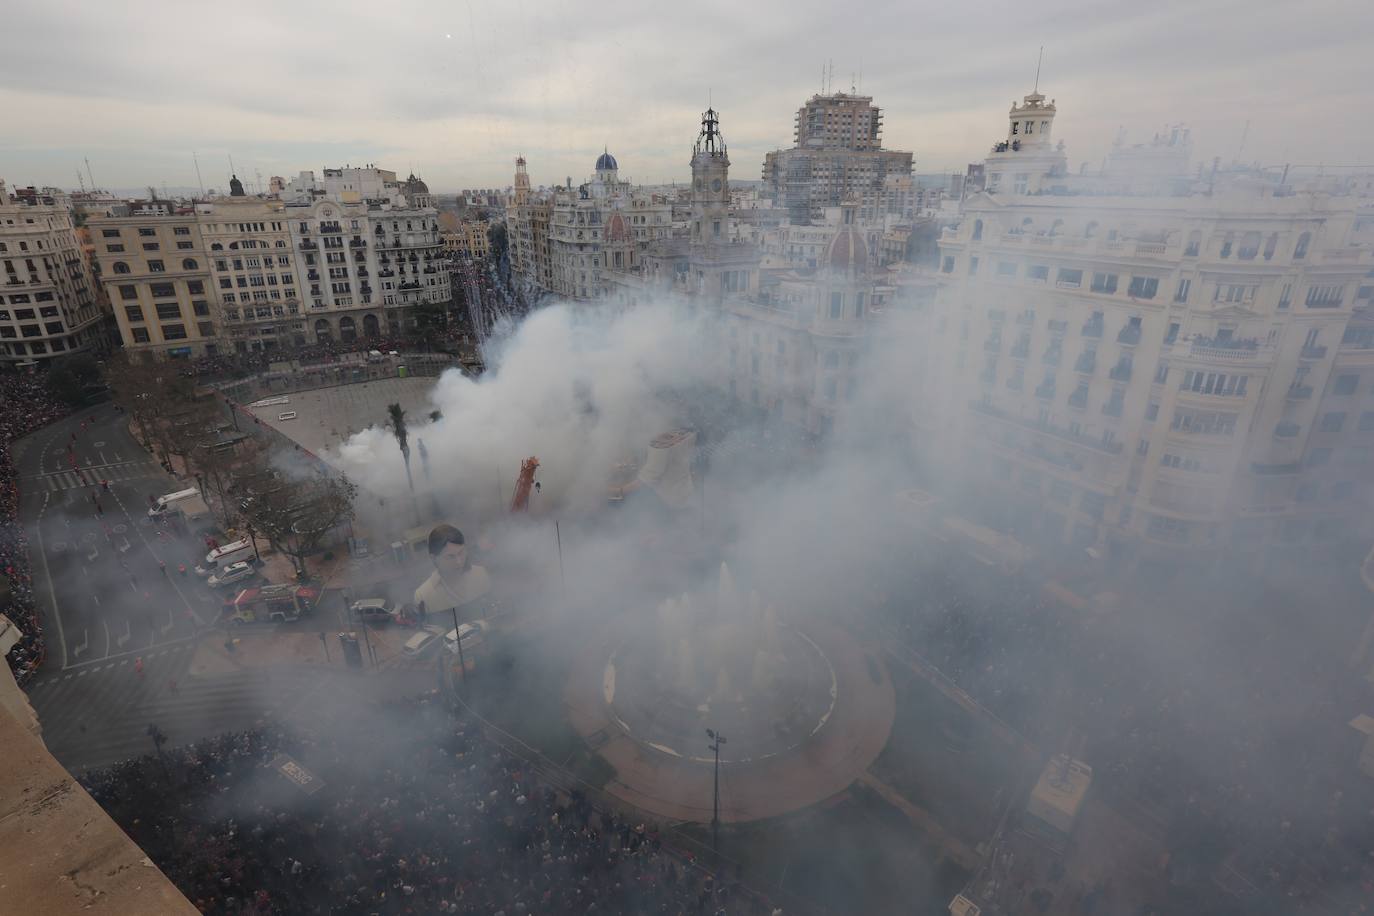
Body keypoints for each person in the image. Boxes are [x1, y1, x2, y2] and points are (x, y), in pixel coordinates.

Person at [414, 524, 491, 621]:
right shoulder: (423, 595)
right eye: (450, 557)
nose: (459, 561)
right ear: (434, 558)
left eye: (461, 553)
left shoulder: (481, 574)